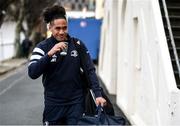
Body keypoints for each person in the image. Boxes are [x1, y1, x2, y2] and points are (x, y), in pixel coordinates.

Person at [28, 5, 106, 125]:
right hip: (53, 104)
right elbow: (32, 73)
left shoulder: (78, 45)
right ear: (50, 27)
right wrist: (50, 54)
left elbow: (90, 70)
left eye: (65, 28)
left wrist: (98, 94)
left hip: (76, 103)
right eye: (57, 28)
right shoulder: (42, 47)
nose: (61, 32)